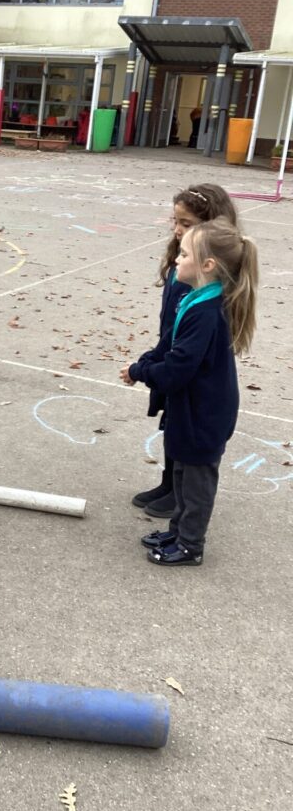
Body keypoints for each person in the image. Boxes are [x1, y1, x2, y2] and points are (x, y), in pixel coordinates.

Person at [121, 218, 258, 566]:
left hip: (205, 413)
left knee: (196, 483)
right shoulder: (195, 299)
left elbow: (177, 369)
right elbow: (171, 344)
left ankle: (191, 545)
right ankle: (178, 530)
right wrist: (145, 362)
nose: (176, 259)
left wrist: (141, 372)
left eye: (184, 254)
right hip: (191, 408)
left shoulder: (207, 312)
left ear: (207, 265)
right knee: (181, 472)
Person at [130, 184, 237, 519]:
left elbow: (192, 336)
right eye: (175, 221)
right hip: (174, 349)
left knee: (186, 427)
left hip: (187, 364)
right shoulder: (183, 263)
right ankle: (169, 483)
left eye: (186, 223)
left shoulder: (208, 284)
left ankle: (182, 500)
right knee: (172, 421)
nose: (177, 230)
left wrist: (152, 366)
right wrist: (156, 354)